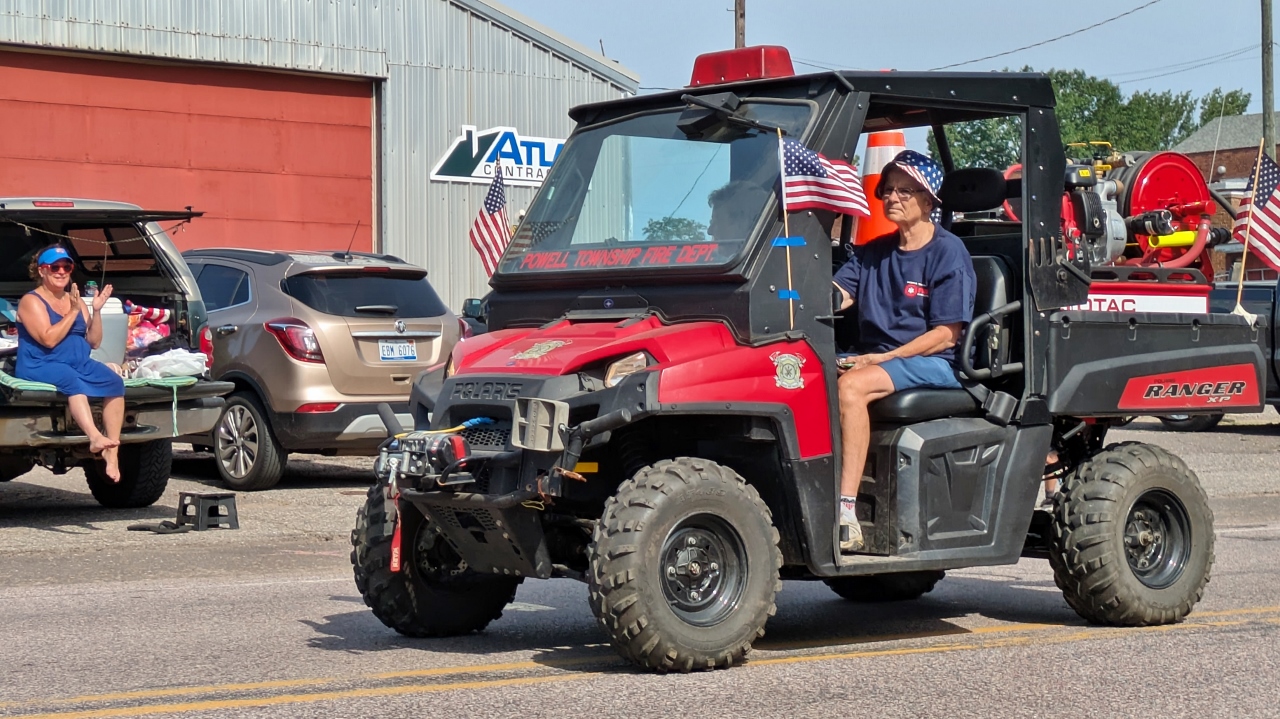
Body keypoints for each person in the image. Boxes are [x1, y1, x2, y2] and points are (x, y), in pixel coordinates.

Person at [831, 150, 977, 552]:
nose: (892, 198)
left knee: (851, 388)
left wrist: (881, 358)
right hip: (879, 359)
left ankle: (846, 514)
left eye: (904, 191)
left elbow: (946, 335)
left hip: (934, 363)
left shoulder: (948, 253)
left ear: (928, 200)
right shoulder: (873, 253)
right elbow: (839, 293)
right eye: (887, 190)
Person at [16, 245, 126, 482]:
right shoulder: (31, 301)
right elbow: (48, 338)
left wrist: (96, 312)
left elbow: (94, 342)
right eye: (55, 267)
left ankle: (112, 452)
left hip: (78, 361)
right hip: (41, 363)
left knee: (115, 383)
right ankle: (95, 437)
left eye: (66, 267)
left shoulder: (76, 301)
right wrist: (72, 311)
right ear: (42, 271)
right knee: (71, 380)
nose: (61, 271)